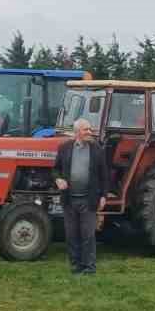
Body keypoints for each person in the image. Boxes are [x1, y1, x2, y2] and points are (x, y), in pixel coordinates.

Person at [53, 118, 111, 275]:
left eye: (90, 129)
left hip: (88, 199)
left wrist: (104, 195)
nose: (90, 132)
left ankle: (89, 267)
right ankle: (76, 266)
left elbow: (104, 175)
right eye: (86, 130)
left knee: (88, 235)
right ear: (77, 132)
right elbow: (56, 169)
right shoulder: (64, 148)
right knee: (72, 235)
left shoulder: (97, 149)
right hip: (70, 200)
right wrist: (58, 179)